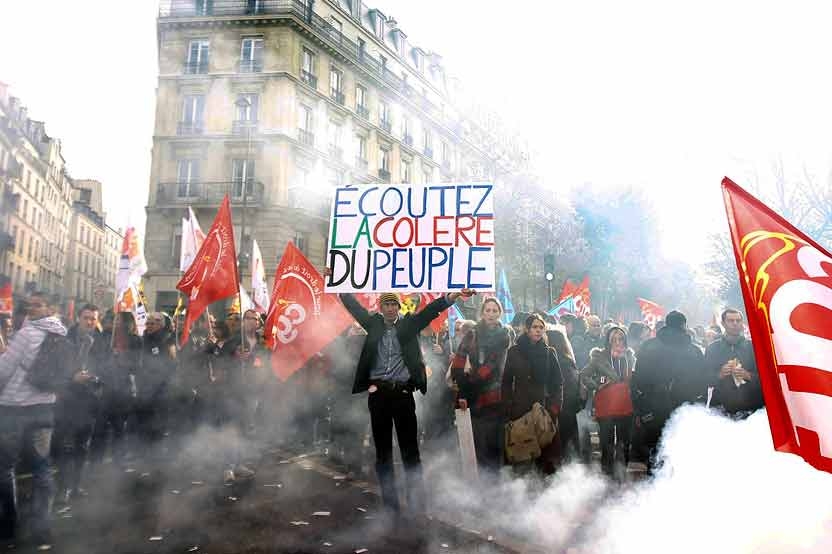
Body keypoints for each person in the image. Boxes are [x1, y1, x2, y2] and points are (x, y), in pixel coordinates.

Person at [334, 279, 473, 515]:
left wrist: (454, 296)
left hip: (403, 395)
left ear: (399, 308)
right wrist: (336, 279)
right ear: (380, 307)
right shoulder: (372, 323)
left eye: (393, 305)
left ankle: (417, 501)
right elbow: (351, 304)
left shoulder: (409, 325)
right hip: (378, 396)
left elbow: (431, 310)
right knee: (383, 451)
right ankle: (390, 504)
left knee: (410, 450)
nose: (390, 308)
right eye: (386, 304)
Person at [0, 292, 70, 548]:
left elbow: (4, 369)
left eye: (37, 305)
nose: (31, 309)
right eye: (29, 305)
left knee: (5, 467)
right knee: (42, 468)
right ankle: (42, 527)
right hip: (44, 409)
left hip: (14, 409)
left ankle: (8, 524)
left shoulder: (26, 333)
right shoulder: (62, 333)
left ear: (50, 307)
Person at [630, 310, 704, 472]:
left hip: (653, 408)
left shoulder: (648, 346)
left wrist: (640, 408)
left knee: (655, 451)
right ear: (684, 326)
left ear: (666, 324)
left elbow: (637, 380)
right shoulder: (694, 351)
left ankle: (653, 488)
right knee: (681, 452)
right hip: (684, 408)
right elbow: (701, 384)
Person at [450, 297, 515, 475]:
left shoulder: (504, 335)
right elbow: (459, 358)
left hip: (495, 392)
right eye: (488, 310)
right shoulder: (473, 333)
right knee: (477, 439)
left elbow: (494, 363)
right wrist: (461, 381)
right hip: (473, 392)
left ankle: (494, 482)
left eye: (495, 310)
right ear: (482, 312)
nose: (491, 314)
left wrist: (471, 384)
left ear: (500, 313)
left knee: (494, 441)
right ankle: (479, 483)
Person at [54, 304, 109, 506]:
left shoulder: (102, 341)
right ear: (78, 318)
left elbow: (106, 368)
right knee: (63, 447)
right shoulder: (64, 339)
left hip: (89, 400)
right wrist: (71, 378)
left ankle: (75, 486)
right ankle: (63, 488)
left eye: (93, 319)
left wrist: (95, 377)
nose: (89, 322)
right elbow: (54, 368)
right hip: (66, 400)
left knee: (82, 446)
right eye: (86, 318)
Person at [502, 314, 563, 474]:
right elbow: (506, 381)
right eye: (535, 327)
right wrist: (508, 405)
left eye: (541, 327)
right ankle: (523, 489)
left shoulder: (549, 352)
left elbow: (558, 383)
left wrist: (555, 407)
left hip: (543, 408)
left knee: (545, 453)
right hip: (520, 408)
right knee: (523, 452)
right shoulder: (514, 352)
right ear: (527, 329)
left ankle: (544, 490)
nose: (538, 330)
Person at [581, 325, 635, 478]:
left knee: (624, 441)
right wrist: (597, 385)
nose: (618, 342)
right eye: (614, 339)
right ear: (609, 341)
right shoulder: (600, 356)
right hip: (606, 404)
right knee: (607, 441)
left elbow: (634, 379)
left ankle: (622, 471)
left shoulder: (629, 356)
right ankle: (607, 473)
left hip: (625, 403)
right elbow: (584, 375)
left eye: (621, 339)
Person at [134, 312, 176, 464]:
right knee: (143, 424)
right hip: (143, 389)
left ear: (162, 324)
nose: (150, 325)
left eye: (154, 323)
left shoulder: (168, 340)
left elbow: (173, 363)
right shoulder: (141, 340)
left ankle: (157, 459)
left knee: (157, 425)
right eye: (148, 322)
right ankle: (144, 457)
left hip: (160, 391)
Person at [705, 308, 762, 417]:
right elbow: (703, 379)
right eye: (731, 321)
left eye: (738, 320)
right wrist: (719, 374)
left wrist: (748, 375)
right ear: (723, 323)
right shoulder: (712, 348)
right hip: (721, 410)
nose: (735, 324)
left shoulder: (753, 347)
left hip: (752, 410)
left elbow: (767, 380)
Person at [547, 326, 580, 461]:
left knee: (561, 450)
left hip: (561, 410)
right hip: (567, 411)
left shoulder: (560, 362)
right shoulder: (568, 361)